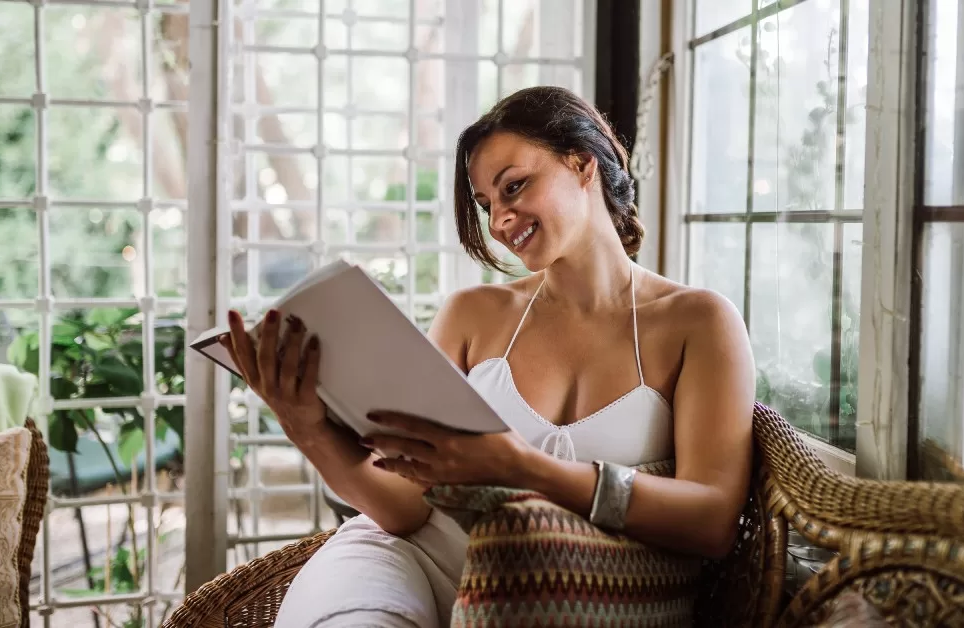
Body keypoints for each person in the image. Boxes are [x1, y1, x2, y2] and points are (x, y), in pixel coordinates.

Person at [223, 85, 757, 628]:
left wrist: (524, 467)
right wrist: (307, 429)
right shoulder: (473, 316)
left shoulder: (699, 322)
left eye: (515, 186)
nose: (501, 220)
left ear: (582, 164)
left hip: (570, 594)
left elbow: (711, 521)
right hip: (412, 562)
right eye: (487, 205)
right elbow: (405, 509)